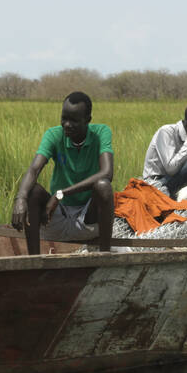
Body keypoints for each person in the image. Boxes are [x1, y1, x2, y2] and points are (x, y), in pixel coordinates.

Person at [11, 91, 114, 254]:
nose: (66, 124)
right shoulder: (54, 135)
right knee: (32, 191)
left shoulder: (101, 133)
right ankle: (33, 261)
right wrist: (20, 198)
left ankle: (105, 255)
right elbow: (34, 169)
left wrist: (61, 193)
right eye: (64, 118)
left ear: (88, 120)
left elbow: (107, 172)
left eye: (74, 120)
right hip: (55, 215)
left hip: (88, 218)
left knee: (103, 186)